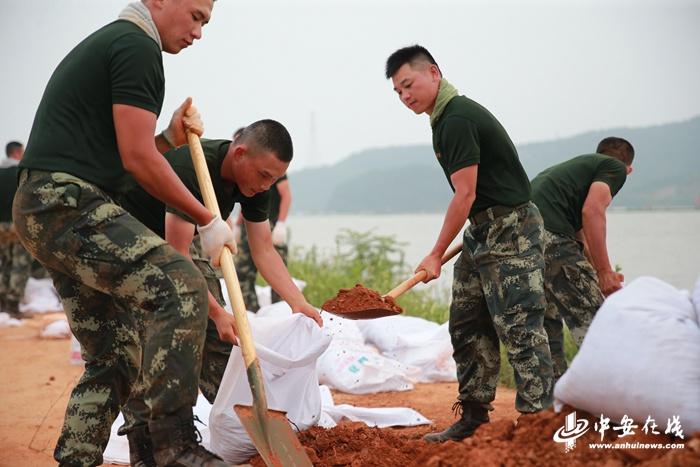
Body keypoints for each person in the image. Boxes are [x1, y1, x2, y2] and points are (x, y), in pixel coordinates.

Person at [12, 1, 234, 466]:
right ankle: (174, 448)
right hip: (63, 201)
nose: (199, 32)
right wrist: (208, 220)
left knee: (116, 352)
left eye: (205, 22)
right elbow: (138, 160)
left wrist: (169, 137)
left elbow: (121, 159)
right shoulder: (136, 46)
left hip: (47, 206)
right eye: (195, 15)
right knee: (182, 283)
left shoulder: (120, 43)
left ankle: (94, 458)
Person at [385, 45, 554, 442]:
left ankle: (538, 426)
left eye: (409, 84)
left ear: (434, 73)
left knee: (520, 328)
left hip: (510, 227)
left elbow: (464, 193)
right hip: (481, 229)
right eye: (398, 92)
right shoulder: (442, 121)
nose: (405, 96)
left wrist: (434, 253)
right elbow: (470, 201)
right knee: (466, 323)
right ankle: (474, 417)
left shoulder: (457, 117)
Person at [531, 137, 634, 380]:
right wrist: (605, 271)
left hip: (524, 241)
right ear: (628, 169)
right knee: (593, 321)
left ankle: (554, 403)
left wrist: (595, 269)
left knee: (547, 322)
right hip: (551, 237)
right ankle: (610, 402)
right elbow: (592, 211)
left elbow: (579, 235)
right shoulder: (615, 168)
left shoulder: (573, 171)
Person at [231, 126, 293, 311]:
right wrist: (237, 225)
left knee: (276, 272)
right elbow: (247, 201)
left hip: (270, 223)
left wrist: (281, 223)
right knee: (242, 271)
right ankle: (250, 313)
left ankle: (282, 311)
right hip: (250, 223)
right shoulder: (244, 172)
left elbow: (287, 196)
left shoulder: (270, 168)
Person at [0, 141, 44, 317]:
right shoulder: (21, 173)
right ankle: (12, 304)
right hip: (17, 224)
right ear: (18, 153)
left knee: (5, 263)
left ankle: (2, 301)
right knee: (20, 264)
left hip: (0, 227)